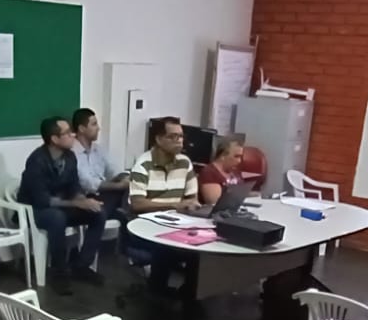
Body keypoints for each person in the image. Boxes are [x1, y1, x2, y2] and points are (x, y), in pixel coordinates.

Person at [16, 117, 106, 295]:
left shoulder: (70, 157)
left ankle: (81, 266)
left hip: (61, 206)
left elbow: (74, 187)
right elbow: (43, 200)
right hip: (34, 210)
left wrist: (84, 200)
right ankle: (59, 274)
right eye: (66, 133)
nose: (72, 135)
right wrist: (76, 202)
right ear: (54, 139)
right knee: (57, 218)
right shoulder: (36, 161)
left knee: (98, 213)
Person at [123, 117, 201, 297]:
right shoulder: (143, 165)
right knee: (165, 248)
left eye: (181, 137)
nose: (179, 141)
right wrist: (174, 204)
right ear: (158, 139)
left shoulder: (185, 163)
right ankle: (157, 294)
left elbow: (192, 197)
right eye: (172, 137)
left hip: (176, 222)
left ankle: (189, 294)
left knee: (198, 250)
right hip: (144, 227)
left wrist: (193, 206)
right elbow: (137, 204)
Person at [71, 108, 128, 217]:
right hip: (84, 198)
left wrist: (124, 178)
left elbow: (114, 170)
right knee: (124, 207)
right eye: (94, 124)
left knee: (132, 193)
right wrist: (120, 186)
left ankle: (121, 213)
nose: (98, 128)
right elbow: (88, 183)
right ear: (82, 129)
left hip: (104, 195)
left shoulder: (98, 149)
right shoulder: (72, 153)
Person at [196, 137, 246, 206]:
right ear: (223, 156)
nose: (239, 161)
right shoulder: (209, 172)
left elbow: (243, 194)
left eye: (240, 157)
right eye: (236, 156)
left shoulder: (235, 171)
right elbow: (214, 201)